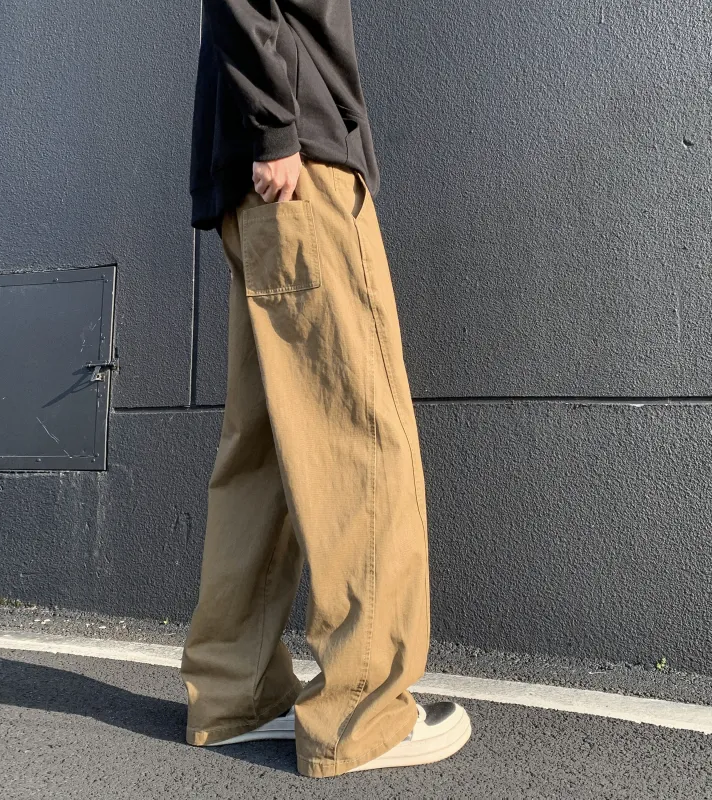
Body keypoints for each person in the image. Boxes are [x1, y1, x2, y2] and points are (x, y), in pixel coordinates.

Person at [180, 0, 472, 778]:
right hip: (297, 162)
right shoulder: (285, 134)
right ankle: (362, 712)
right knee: (359, 435)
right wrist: (277, 126)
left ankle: (234, 694)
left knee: (264, 451)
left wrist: (265, 127)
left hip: (260, 169)